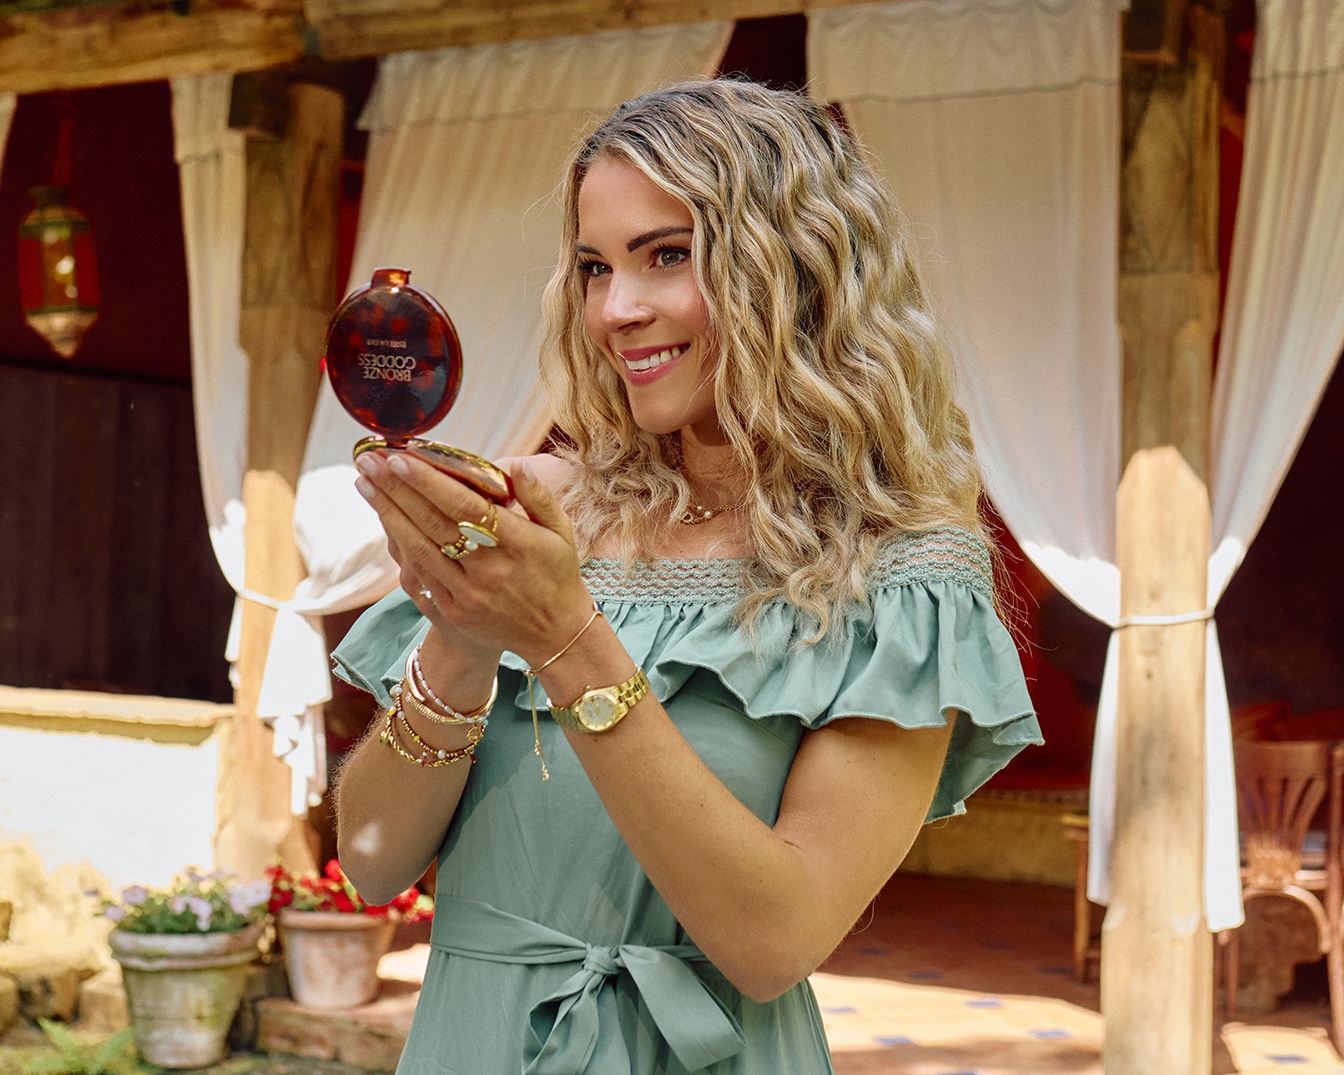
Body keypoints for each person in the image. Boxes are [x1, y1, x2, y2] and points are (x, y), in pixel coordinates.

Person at [332, 78, 1040, 1075]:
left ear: (798, 268)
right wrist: (464, 628)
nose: (617, 310)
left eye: (669, 255)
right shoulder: (540, 515)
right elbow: (368, 860)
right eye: (592, 266)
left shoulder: (903, 580)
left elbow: (772, 941)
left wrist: (567, 638)